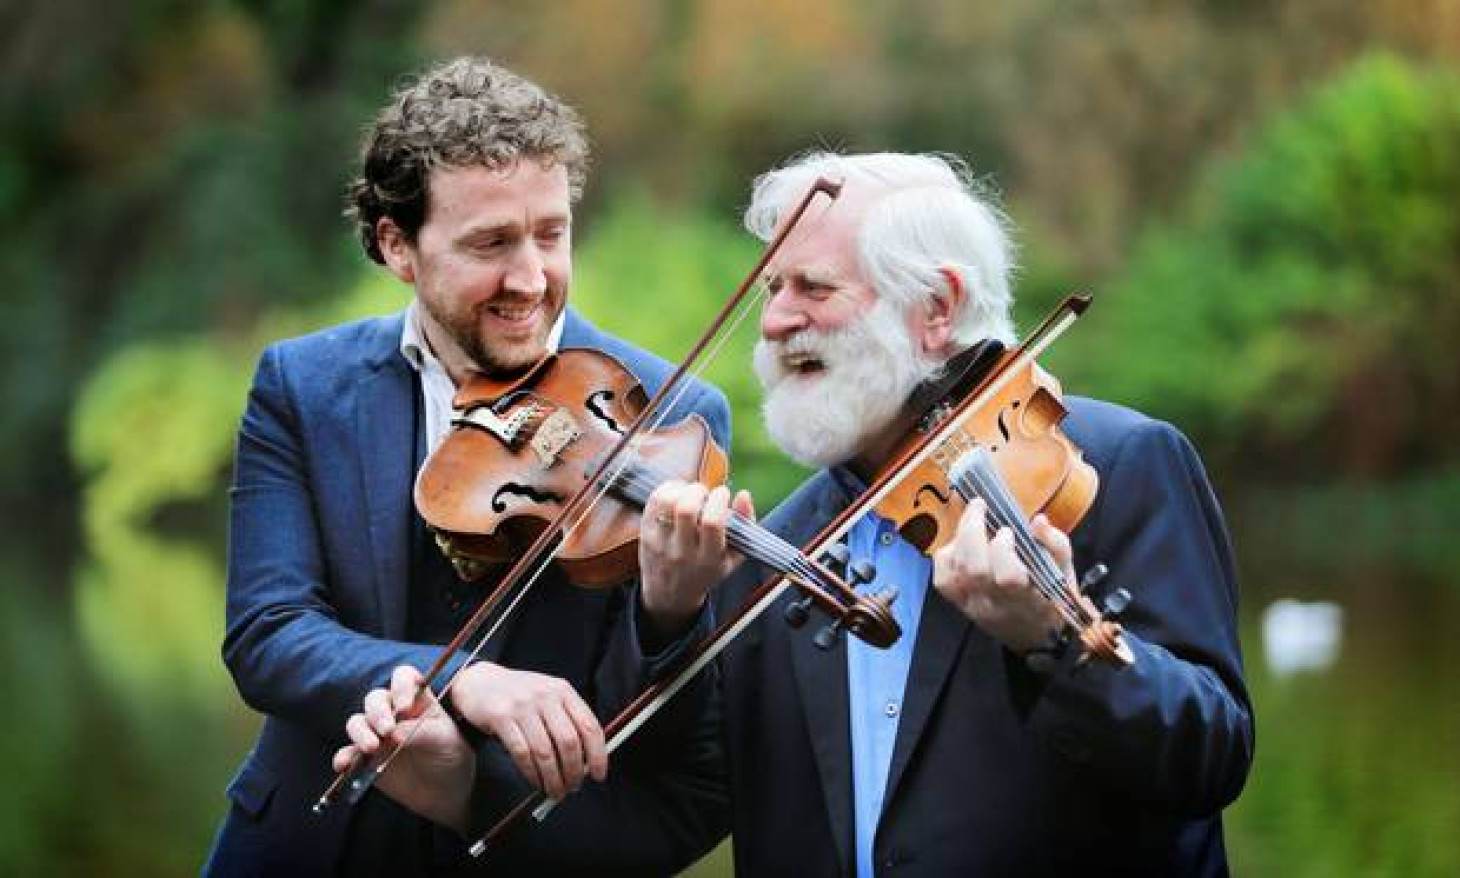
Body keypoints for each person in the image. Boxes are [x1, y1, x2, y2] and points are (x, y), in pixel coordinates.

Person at [341, 151, 1255, 876]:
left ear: (936, 308)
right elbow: (665, 821)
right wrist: (461, 784)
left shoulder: (1111, 466)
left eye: (812, 288)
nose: (775, 321)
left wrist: (1052, 639)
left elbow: (1207, 757)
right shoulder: (781, 549)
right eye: (772, 289)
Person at [204, 56, 730, 877]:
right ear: (397, 245)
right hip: (305, 847)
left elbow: (671, 752)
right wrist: (461, 679)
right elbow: (268, 634)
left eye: (550, 234)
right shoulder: (301, 385)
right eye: (491, 243)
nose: (531, 278)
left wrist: (673, 610)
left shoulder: (668, 416)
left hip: (519, 850)